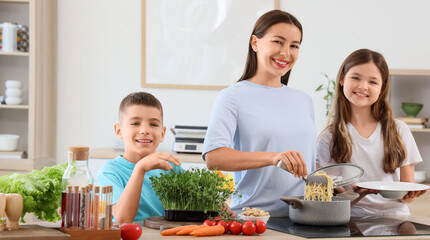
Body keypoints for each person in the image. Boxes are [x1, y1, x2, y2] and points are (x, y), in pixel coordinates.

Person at [202, 10, 316, 217]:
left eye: (294, 46)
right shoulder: (232, 97)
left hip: (305, 218)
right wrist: (273, 157)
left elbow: (308, 163)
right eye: (278, 42)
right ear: (255, 43)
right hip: (253, 220)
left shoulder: (304, 101)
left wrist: (334, 181)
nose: (286, 53)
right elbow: (213, 157)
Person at [317, 49, 427, 216]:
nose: (363, 86)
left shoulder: (399, 130)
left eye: (373, 82)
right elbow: (330, 197)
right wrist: (356, 195)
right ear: (341, 79)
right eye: (355, 77)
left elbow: (407, 196)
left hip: (395, 219)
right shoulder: (328, 138)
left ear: (382, 88)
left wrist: (410, 194)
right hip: (351, 220)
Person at [97, 92, 183, 224]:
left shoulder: (172, 168)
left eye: (153, 125)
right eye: (135, 123)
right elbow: (123, 219)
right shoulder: (110, 172)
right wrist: (140, 168)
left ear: (162, 133)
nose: (144, 130)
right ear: (119, 131)